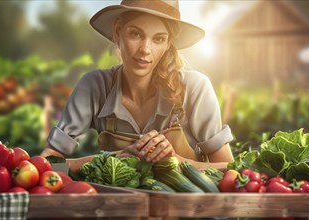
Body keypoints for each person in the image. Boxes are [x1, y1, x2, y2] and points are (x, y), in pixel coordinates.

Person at [40, 0, 234, 173]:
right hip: (120, 207)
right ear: (117, 33)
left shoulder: (195, 88)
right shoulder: (95, 86)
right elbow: (46, 163)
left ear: (168, 44)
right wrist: (111, 158)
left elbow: (230, 169)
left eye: (158, 39)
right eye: (135, 34)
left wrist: (178, 162)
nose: (145, 50)